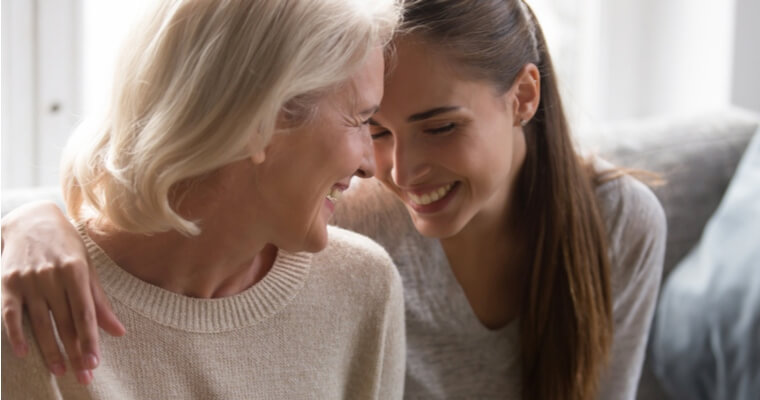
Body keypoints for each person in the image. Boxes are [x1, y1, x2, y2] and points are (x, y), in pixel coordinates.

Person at [1, 0, 666, 399]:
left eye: (440, 126)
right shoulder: (347, 217)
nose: (390, 169)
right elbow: (172, 200)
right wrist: (25, 219)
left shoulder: (353, 272)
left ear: (524, 97)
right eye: (371, 126)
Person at [0, 0, 406, 398]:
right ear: (261, 120)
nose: (371, 165)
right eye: (359, 120)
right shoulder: (29, 305)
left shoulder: (362, 287)